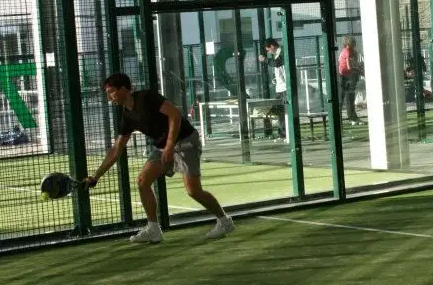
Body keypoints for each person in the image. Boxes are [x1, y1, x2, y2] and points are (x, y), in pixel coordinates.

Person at [85, 73, 235, 243]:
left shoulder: (146, 97)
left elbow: (175, 115)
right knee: (143, 181)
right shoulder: (127, 116)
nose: (109, 97)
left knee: (194, 191)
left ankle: (224, 221)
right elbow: (116, 150)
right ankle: (154, 229)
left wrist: (170, 145)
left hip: (186, 141)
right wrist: (96, 176)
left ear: (124, 89)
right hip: (163, 147)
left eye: (111, 92)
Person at [258, 38, 287, 139]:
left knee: (284, 111)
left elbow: (277, 63)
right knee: (280, 112)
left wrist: (264, 59)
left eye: (268, 50)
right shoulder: (277, 54)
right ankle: (282, 133)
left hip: (285, 88)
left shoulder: (282, 51)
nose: (268, 52)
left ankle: (285, 133)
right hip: (280, 88)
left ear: (272, 46)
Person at [338, 36, 363, 124]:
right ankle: (339, 120)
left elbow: (354, 65)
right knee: (341, 99)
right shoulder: (346, 51)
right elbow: (349, 67)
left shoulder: (354, 52)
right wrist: (360, 71)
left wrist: (358, 70)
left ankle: (353, 118)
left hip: (350, 77)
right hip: (343, 77)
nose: (354, 45)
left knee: (350, 98)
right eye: (352, 43)